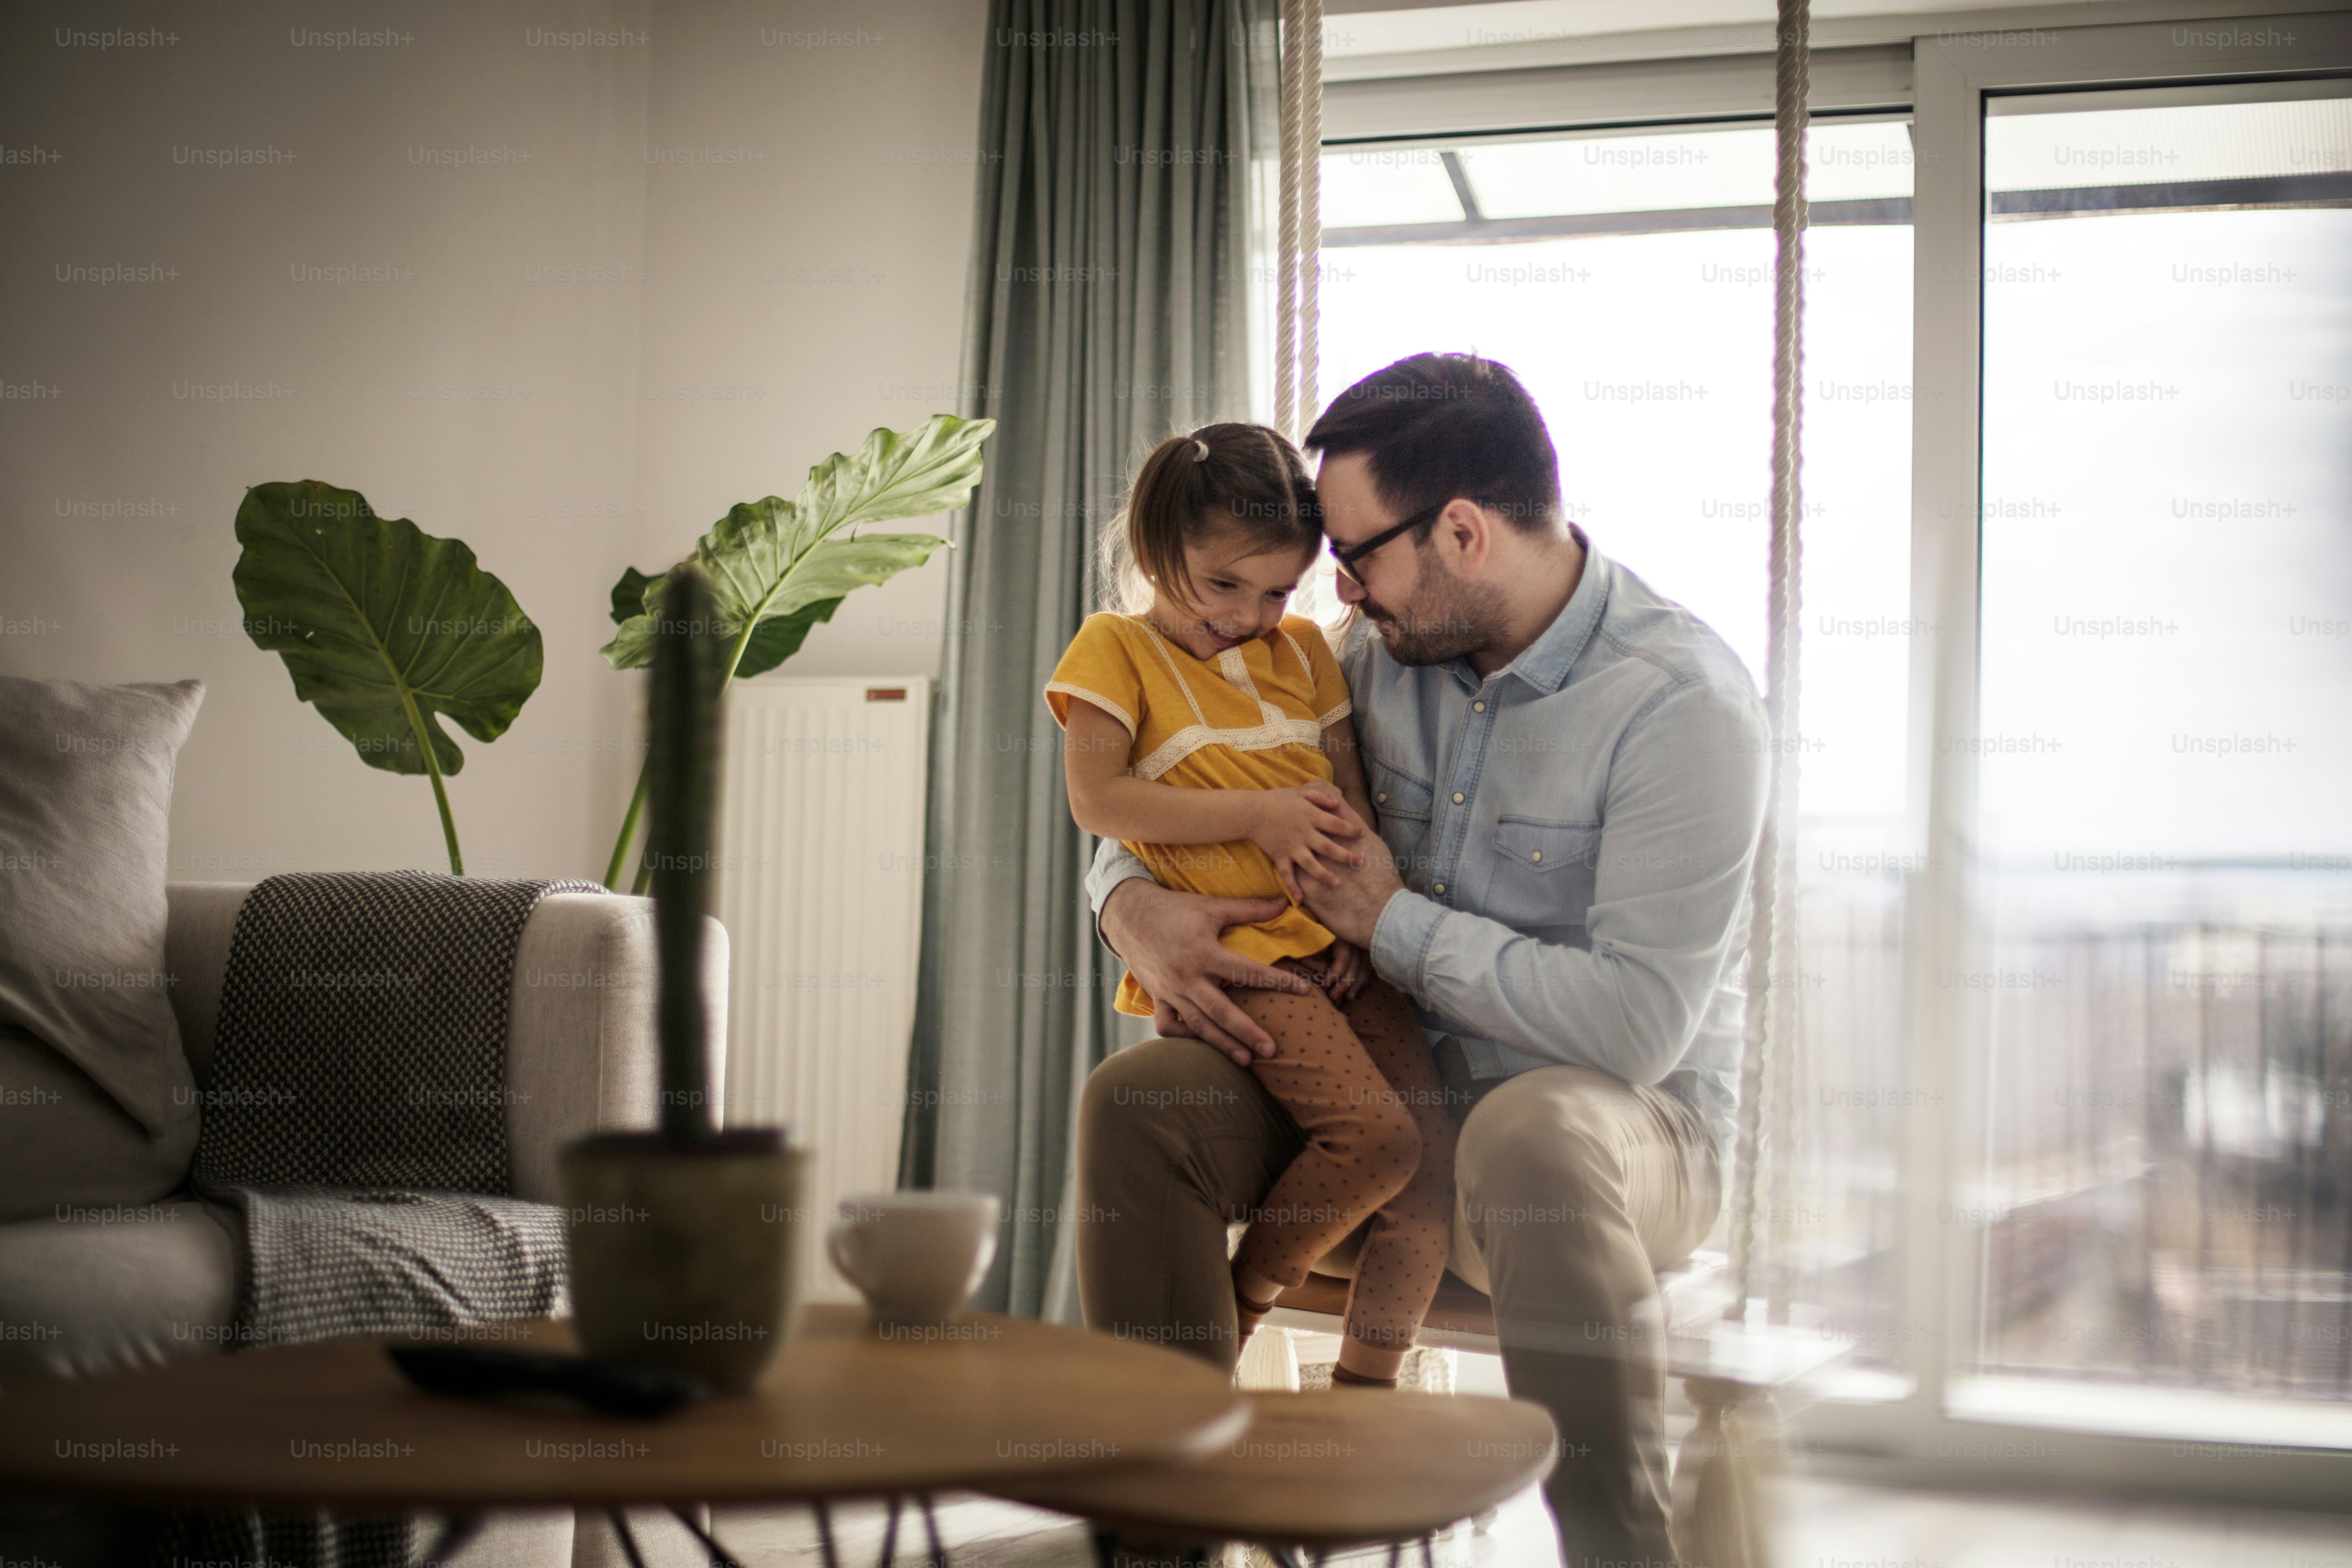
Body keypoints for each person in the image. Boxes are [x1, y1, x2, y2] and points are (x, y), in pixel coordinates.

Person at [1076, 356, 1768, 1565]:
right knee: (1138, 1104)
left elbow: (1634, 1027)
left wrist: (1387, 920)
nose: (1334, 590)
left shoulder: (1679, 707)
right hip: (1385, 1108)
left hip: (1612, 1145)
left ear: (1459, 531)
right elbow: (1205, 783)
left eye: (1355, 557)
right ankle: (1160, 1534)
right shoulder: (1364, 654)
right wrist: (1125, 905)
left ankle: (1621, 1553)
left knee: (1529, 1132)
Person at [1044, 422, 1458, 1389]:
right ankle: (1242, 1309)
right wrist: (1261, 816)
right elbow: (1097, 802)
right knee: (1376, 1140)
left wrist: (1368, 912)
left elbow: (1347, 792)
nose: (1249, 614)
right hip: (1246, 961)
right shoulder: (1115, 649)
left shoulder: (1305, 650)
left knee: (1426, 1179)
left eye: (1277, 589)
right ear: (1155, 554)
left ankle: (1363, 1400)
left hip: (1344, 946)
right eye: (1223, 585)